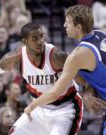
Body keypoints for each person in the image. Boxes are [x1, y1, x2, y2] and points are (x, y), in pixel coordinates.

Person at [0, 22, 84, 135]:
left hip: (66, 108)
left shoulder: (56, 56)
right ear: (25, 41)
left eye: (42, 37)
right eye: (35, 38)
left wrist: (90, 93)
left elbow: (84, 78)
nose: (40, 42)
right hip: (39, 108)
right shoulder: (16, 59)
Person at [24, 5, 106, 134]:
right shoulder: (101, 35)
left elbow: (55, 93)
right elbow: (96, 74)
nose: (64, 25)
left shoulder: (77, 55)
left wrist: (31, 106)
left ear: (78, 27)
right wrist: (88, 92)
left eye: (67, 22)